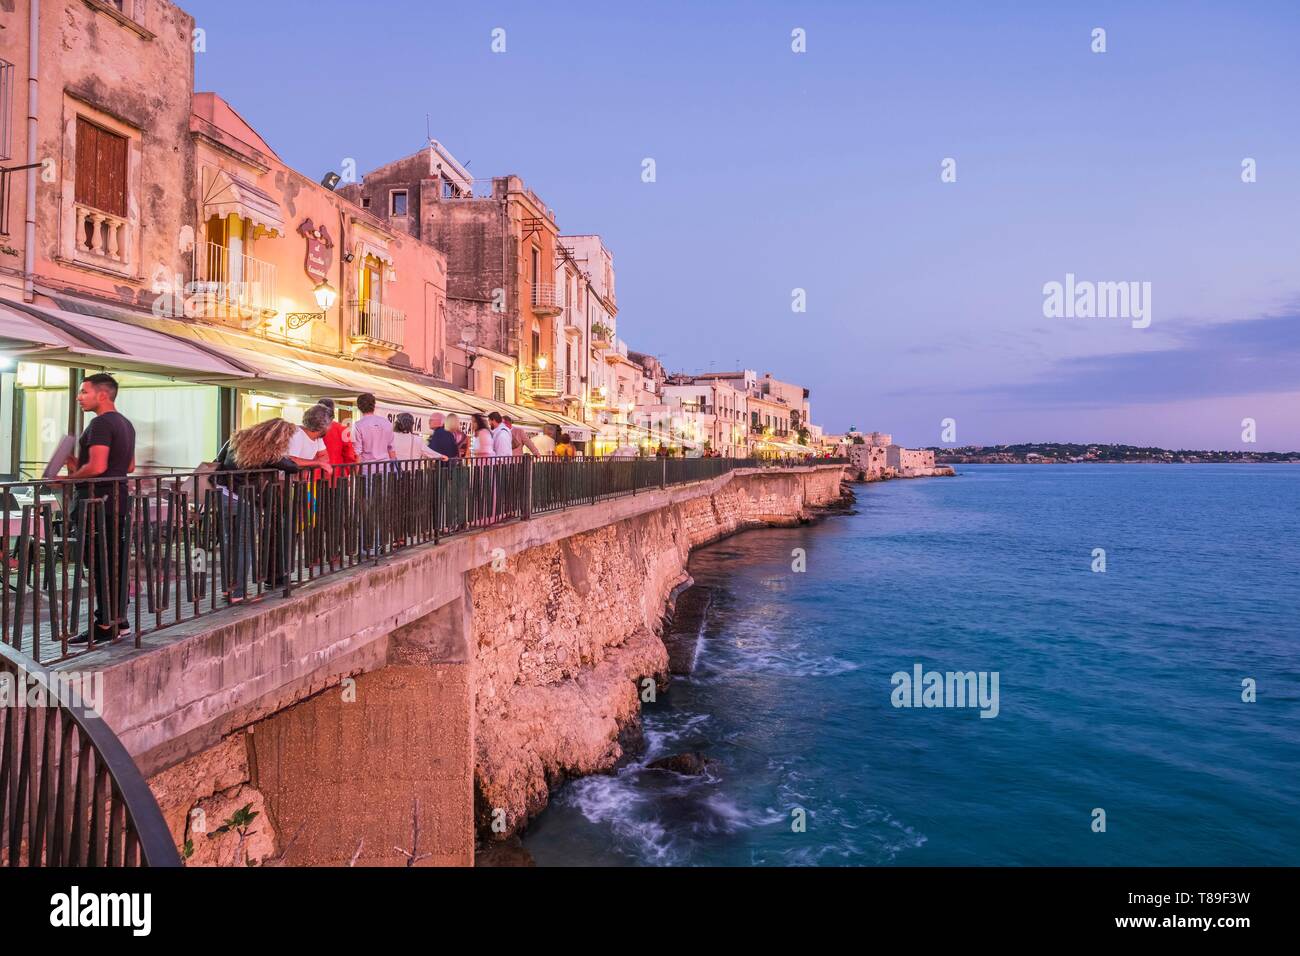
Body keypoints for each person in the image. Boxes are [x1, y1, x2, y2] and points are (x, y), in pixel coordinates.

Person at [66, 373, 135, 645]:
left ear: (102, 395)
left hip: (97, 503)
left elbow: (97, 467)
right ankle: (120, 620)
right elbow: (128, 467)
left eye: (84, 392)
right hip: (117, 499)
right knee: (114, 561)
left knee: (98, 564)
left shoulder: (100, 423)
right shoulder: (125, 424)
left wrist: (67, 478)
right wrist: (78, 464)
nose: (79, 397)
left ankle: (104, 624)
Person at [214, 419, 300, 603]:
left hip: (221, 494)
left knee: (230, 544)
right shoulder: (268, 452)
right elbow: (292, 467)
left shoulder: (237, 439)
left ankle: (228, 590)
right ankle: (238, 593)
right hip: (242, 497)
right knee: (244, 545)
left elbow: (217, 461)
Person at [287, 404, 333, 479]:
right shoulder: (296, 433)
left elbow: (325, 457)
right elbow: (289, 460)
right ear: (323, 426)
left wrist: (305, 463)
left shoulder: (318, 437)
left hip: (299, 481)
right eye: (330, 424)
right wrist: (317, 462)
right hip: (284, 481)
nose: (330, 427)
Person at [351, 392, 396, 464]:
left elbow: (357, 453)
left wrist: (356, 473)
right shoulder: (386, 422)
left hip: (367, 467)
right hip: (385, 466)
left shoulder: (358, 425)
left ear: (359, 407)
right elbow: (391, 449)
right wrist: (394, 468)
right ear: (374, 406)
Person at [318, 397, 358, 468]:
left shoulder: (311, 429)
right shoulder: (342, 429)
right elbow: (349, 454)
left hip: (315, 472)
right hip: (337, 471)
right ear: (333, 410)